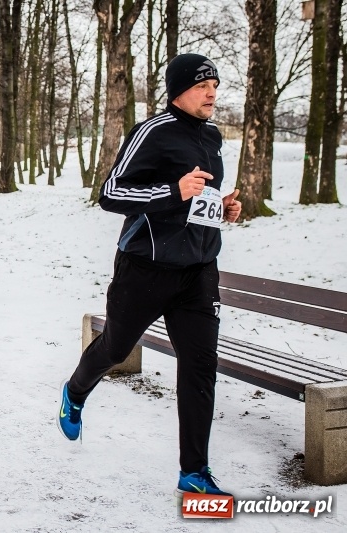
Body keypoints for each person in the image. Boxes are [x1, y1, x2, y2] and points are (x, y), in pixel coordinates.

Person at [56, 53, 242, 497]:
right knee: (117, 347)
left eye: (215, 84)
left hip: (198, 271)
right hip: (145, 267)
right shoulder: (153, 132)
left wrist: (224, 209)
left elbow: (201, 199)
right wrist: (173, 191)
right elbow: (112, 192)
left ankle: (194, 472)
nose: (211, 92)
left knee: (200, 366)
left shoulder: (212, 136)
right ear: (178, 91)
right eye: (202, 85)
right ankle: (76, 389)